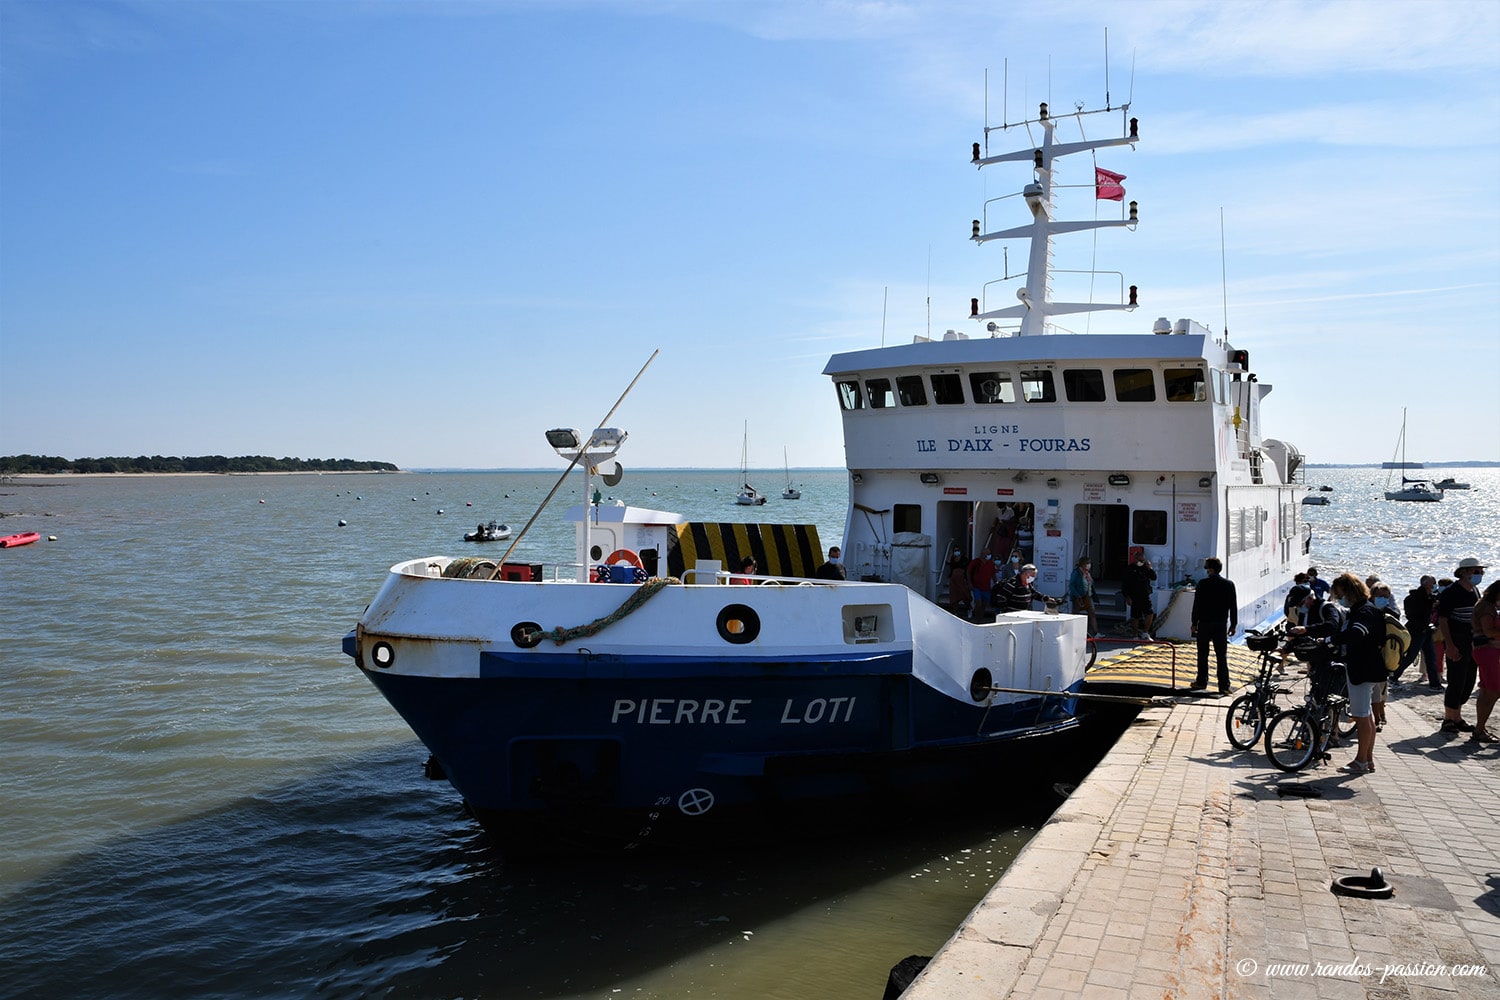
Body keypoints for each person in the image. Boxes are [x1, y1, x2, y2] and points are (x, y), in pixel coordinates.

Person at [1329, 572, 1386, 774]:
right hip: (1371, 667)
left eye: (1340, 594)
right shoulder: (1368, 609)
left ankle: (1360, 761)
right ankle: (1367, 760)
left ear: (1349, 592)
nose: (1339, 598)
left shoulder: (1363, 611)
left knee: (1361, 717)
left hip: (1362, 668)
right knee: (1367, 717)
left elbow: (1357, 634)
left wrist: (1331, 640)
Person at [1437, 557, 1485, 735]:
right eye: (1476, 571)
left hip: (1471, 641)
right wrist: (1450, 644)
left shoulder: (1475, 591)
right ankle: (1449, 718)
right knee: (1456, 679)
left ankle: (1457, 716)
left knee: (1469, 679)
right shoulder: (1452, 591)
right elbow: (1443, 619)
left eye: (1480, 571)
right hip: (1457, 640)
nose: (1479, 574)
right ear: (1464, 572)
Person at [1190, 557, 1238, 693]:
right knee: (1221, 655)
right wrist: (1233, 624)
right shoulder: (1229, 584)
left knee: (1202, 654)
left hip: (1204, 623)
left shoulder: (1203, 584)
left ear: (1211, 569)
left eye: (1207, 568)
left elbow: (1197, 605)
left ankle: (1201, 681)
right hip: (1220, 624)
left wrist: (1194, 623)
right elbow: (1233, 606)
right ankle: (1224, 685)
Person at [1470, 579, 1500, 744]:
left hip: (1485, 651)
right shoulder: (1487, 608)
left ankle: (1480, 728)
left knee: (1486, 690)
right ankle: (1479, 729)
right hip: (1488, 652)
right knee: (1493, 691)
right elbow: (1489, 631)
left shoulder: (1485, 605)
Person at [1402, 575, 1440, 688]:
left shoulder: (1429, 597)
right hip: (1417, 630)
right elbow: (1415, 614)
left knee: (1431, 657)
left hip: (1425, 630)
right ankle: (1394, 676)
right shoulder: (1418, 598)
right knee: (1411, 656)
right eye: (1433, 583)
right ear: (1426, 584)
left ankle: (1434, 683)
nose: (1434, 585)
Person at [1368, 581, 1397, 726]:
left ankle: (1380, 714)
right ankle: (1375, 716)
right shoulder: (1365, 610)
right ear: (1372, 596)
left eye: (1386, 596)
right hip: (1367, 653)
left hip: (1384, 654)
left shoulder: (1390, 612)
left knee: (1381, 687)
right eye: (1380, 596)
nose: (1383, 599)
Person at [1124, 552, 1158, 639]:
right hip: (1134, 595)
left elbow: (1154, 577)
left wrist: (1150, 568)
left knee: (1150, 613)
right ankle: (1135, 635)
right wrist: (1127, 596)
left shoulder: (1145, 568)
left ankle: (1145, 632)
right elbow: (1125, 584)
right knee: (1135, 616)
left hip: (1145, 594)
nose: (1141, 561)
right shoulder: (1130, 568)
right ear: (1135, 559)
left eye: (1143, 560)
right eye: (1140, 560)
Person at [1067, 556, 1098, 637]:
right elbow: (1071, 585)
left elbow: (1091, 584)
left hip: (1088, 596)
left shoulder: (1088, 573)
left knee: (1092, 613)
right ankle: (1072, 631)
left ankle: (1096, 632)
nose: (1089, 565)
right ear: (1082, 564)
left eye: (1089, 563)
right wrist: (1077, 595)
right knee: (1075, 614)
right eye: (1087, 563)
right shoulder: (1076, 572)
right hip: (1078, 597)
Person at [968, 552, 998, 621]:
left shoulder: (990, 563)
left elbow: (993, 574)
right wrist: (969, 583)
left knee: (984, 604)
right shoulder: (976, 562)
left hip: (986, 587)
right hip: (976, 586)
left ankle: (980, 619)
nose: (989, 555)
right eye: (987, 553)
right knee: (978, 602)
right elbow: (968, 571)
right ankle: (975, 618)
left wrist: (996, 583)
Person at [946, 551, 971, 617]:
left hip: (962, 579)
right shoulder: (952, 559)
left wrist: (969, 582)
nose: (956, 552)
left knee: (965, 595)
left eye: (957, 550)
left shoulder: (964, 559)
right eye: (955, 550)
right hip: (953, 580)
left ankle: (969, 608)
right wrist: (950, 554)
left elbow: (967, 571)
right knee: (954, 597)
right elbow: (947, 562)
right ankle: (955, 612)